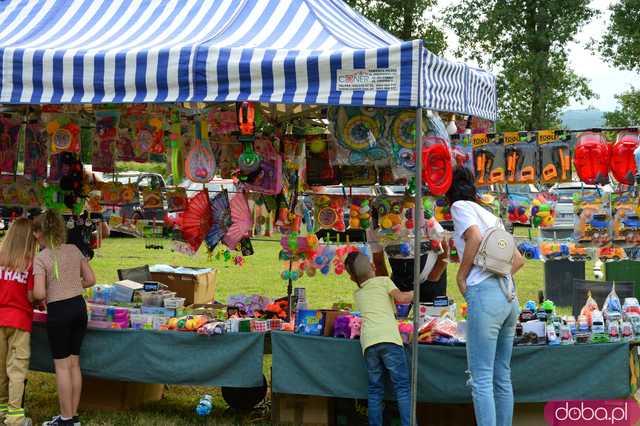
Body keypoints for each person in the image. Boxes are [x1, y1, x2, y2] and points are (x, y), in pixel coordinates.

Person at [446, 167, 524, 426]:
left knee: (481, 379)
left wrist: (462, 276)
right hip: (509, 296)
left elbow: (474, 238)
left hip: (486, 296)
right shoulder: (490, 215)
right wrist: (497, 276)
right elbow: (519, 260)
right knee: (502, 375)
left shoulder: (459, 207)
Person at [32, 211, 96, 426]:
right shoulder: (74, 249)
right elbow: (91, 279)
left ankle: (66, 419)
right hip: (79, 307)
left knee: (61, 366)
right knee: (74, 364)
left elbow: (39, 294)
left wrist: (35, 294)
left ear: (40, 233)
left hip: (59, 311)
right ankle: (73, 415)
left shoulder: (41, 257)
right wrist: (72, 285)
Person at [345, 251, 414, 426]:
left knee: (375, 390)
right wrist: (418, 291)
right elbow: (402, 298)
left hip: (368, 343)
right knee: (403, 389)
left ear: (352, 278)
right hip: (389, 339)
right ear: (373, 267)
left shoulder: (358, 294)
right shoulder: (384, 281)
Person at [0, 218, 37, 426]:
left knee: (0, 369)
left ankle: (1, 409)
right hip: (20, 321)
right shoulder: (30, 263)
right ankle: (14, 416)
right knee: (17, 369)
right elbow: (32, 295)